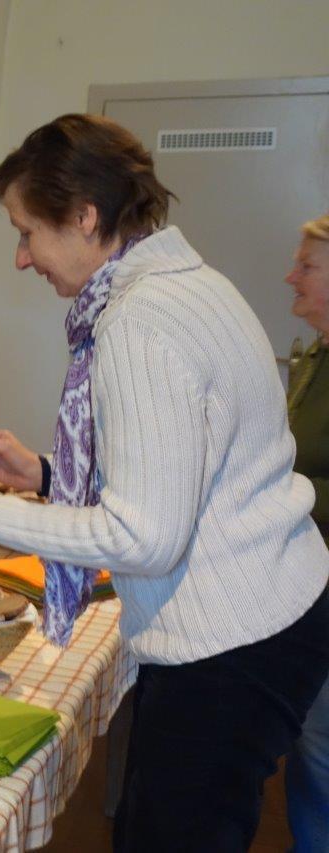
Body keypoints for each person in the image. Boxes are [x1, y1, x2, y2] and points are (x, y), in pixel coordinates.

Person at [0, 115, 329, 851]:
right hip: (277, 611)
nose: (21, 258)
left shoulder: (138, 322)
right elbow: (180, 471)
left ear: (85, 217)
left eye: (27, 232)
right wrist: (44, 473)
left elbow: (143, 537)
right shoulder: (190, 283)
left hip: (231, 644)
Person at [283, 211, 329, 852]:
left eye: (308, 266)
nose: (290, 276)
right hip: (311, 585)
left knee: (320, 750)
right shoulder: (317, 353)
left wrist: (283, 492)